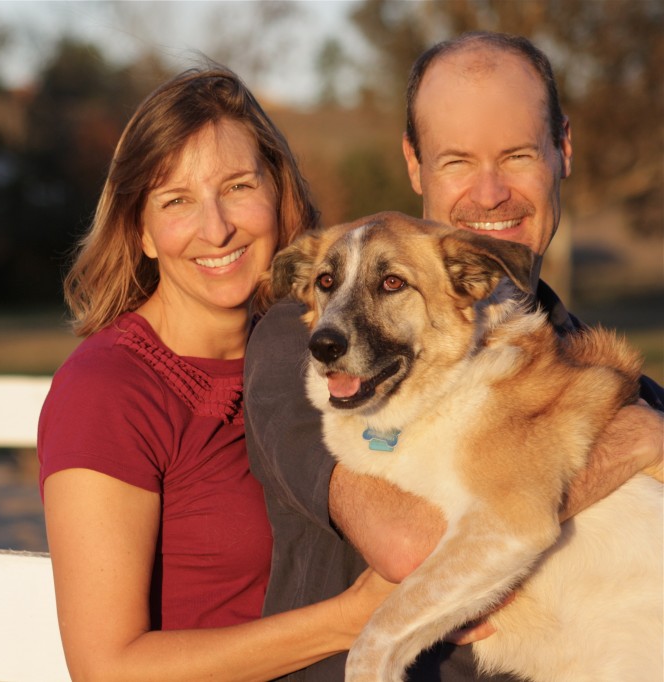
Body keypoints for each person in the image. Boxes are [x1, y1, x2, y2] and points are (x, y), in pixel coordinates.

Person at [245, 31, 664, 681]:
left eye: (518, 154)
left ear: (563, 151)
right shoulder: (299, 346)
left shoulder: (593, 364)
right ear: (414, 164)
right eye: (457, 160)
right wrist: (623, 443)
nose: (489, 193)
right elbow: (411, 542)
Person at [37, 65, 398, 681]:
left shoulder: (321, 357)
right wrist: (352, 617)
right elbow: (107, 669)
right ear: (142, 232)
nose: (217, 228)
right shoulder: (107, 391)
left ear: (279, 195)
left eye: (236, 187)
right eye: (177, 201)